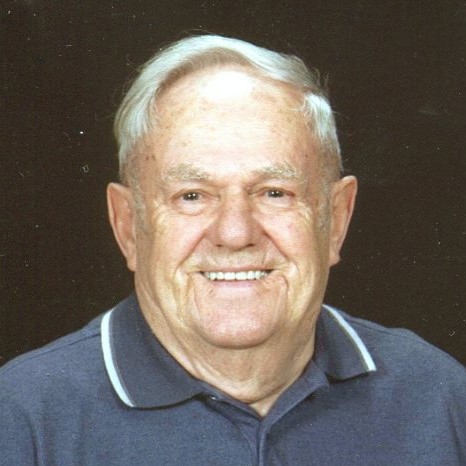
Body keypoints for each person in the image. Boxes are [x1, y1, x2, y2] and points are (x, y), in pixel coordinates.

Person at [1, 34, 465, 466]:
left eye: (275, 192)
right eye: (192, 196)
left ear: (337, 220)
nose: (236, 233)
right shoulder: (23, 419)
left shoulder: (438, 397)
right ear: (128, 226)